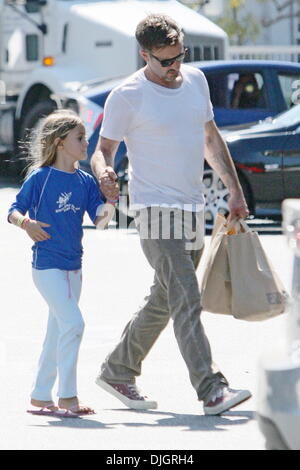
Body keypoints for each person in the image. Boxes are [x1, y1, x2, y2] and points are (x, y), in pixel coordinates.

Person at [91, 14, 251, 415]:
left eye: (180, 55)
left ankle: (117, 369)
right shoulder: (127, 95)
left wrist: (233, 190)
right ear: (144, 55)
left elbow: (210, 139)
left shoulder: (195, 81)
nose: (174, 65)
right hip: (154, 210)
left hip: (193, 206)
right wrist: (104, 173)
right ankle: (212, 388)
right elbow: (103, 149)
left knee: (165, 298)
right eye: (165, 60)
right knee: (185, 296)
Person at [8, 110, 115, 417]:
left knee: (57, 332)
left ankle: (41, 395)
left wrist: (110, 199)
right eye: (80, 138)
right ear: (60, 143)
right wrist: (25, 223)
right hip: (47, 267)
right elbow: (13, 210)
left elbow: (101, 221)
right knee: (74, 324)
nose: (86, 143)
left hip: (74, 268)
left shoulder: (84, 181)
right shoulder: (41, 178)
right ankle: (67, 397)